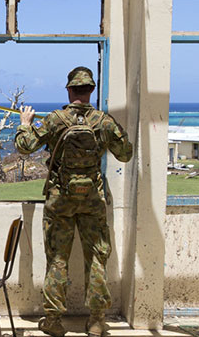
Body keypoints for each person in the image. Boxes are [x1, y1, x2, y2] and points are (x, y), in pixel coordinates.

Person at [15, 66, 132, 337]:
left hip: (60, 199)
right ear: (91, 90)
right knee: (97, 258)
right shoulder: (104, 121)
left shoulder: (55, 119)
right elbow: (125, 154)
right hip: (92, 199)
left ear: (69, 90)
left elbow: (24, 146)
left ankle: (54, 321)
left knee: (57, 259)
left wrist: (25, 122)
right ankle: (96, 321)